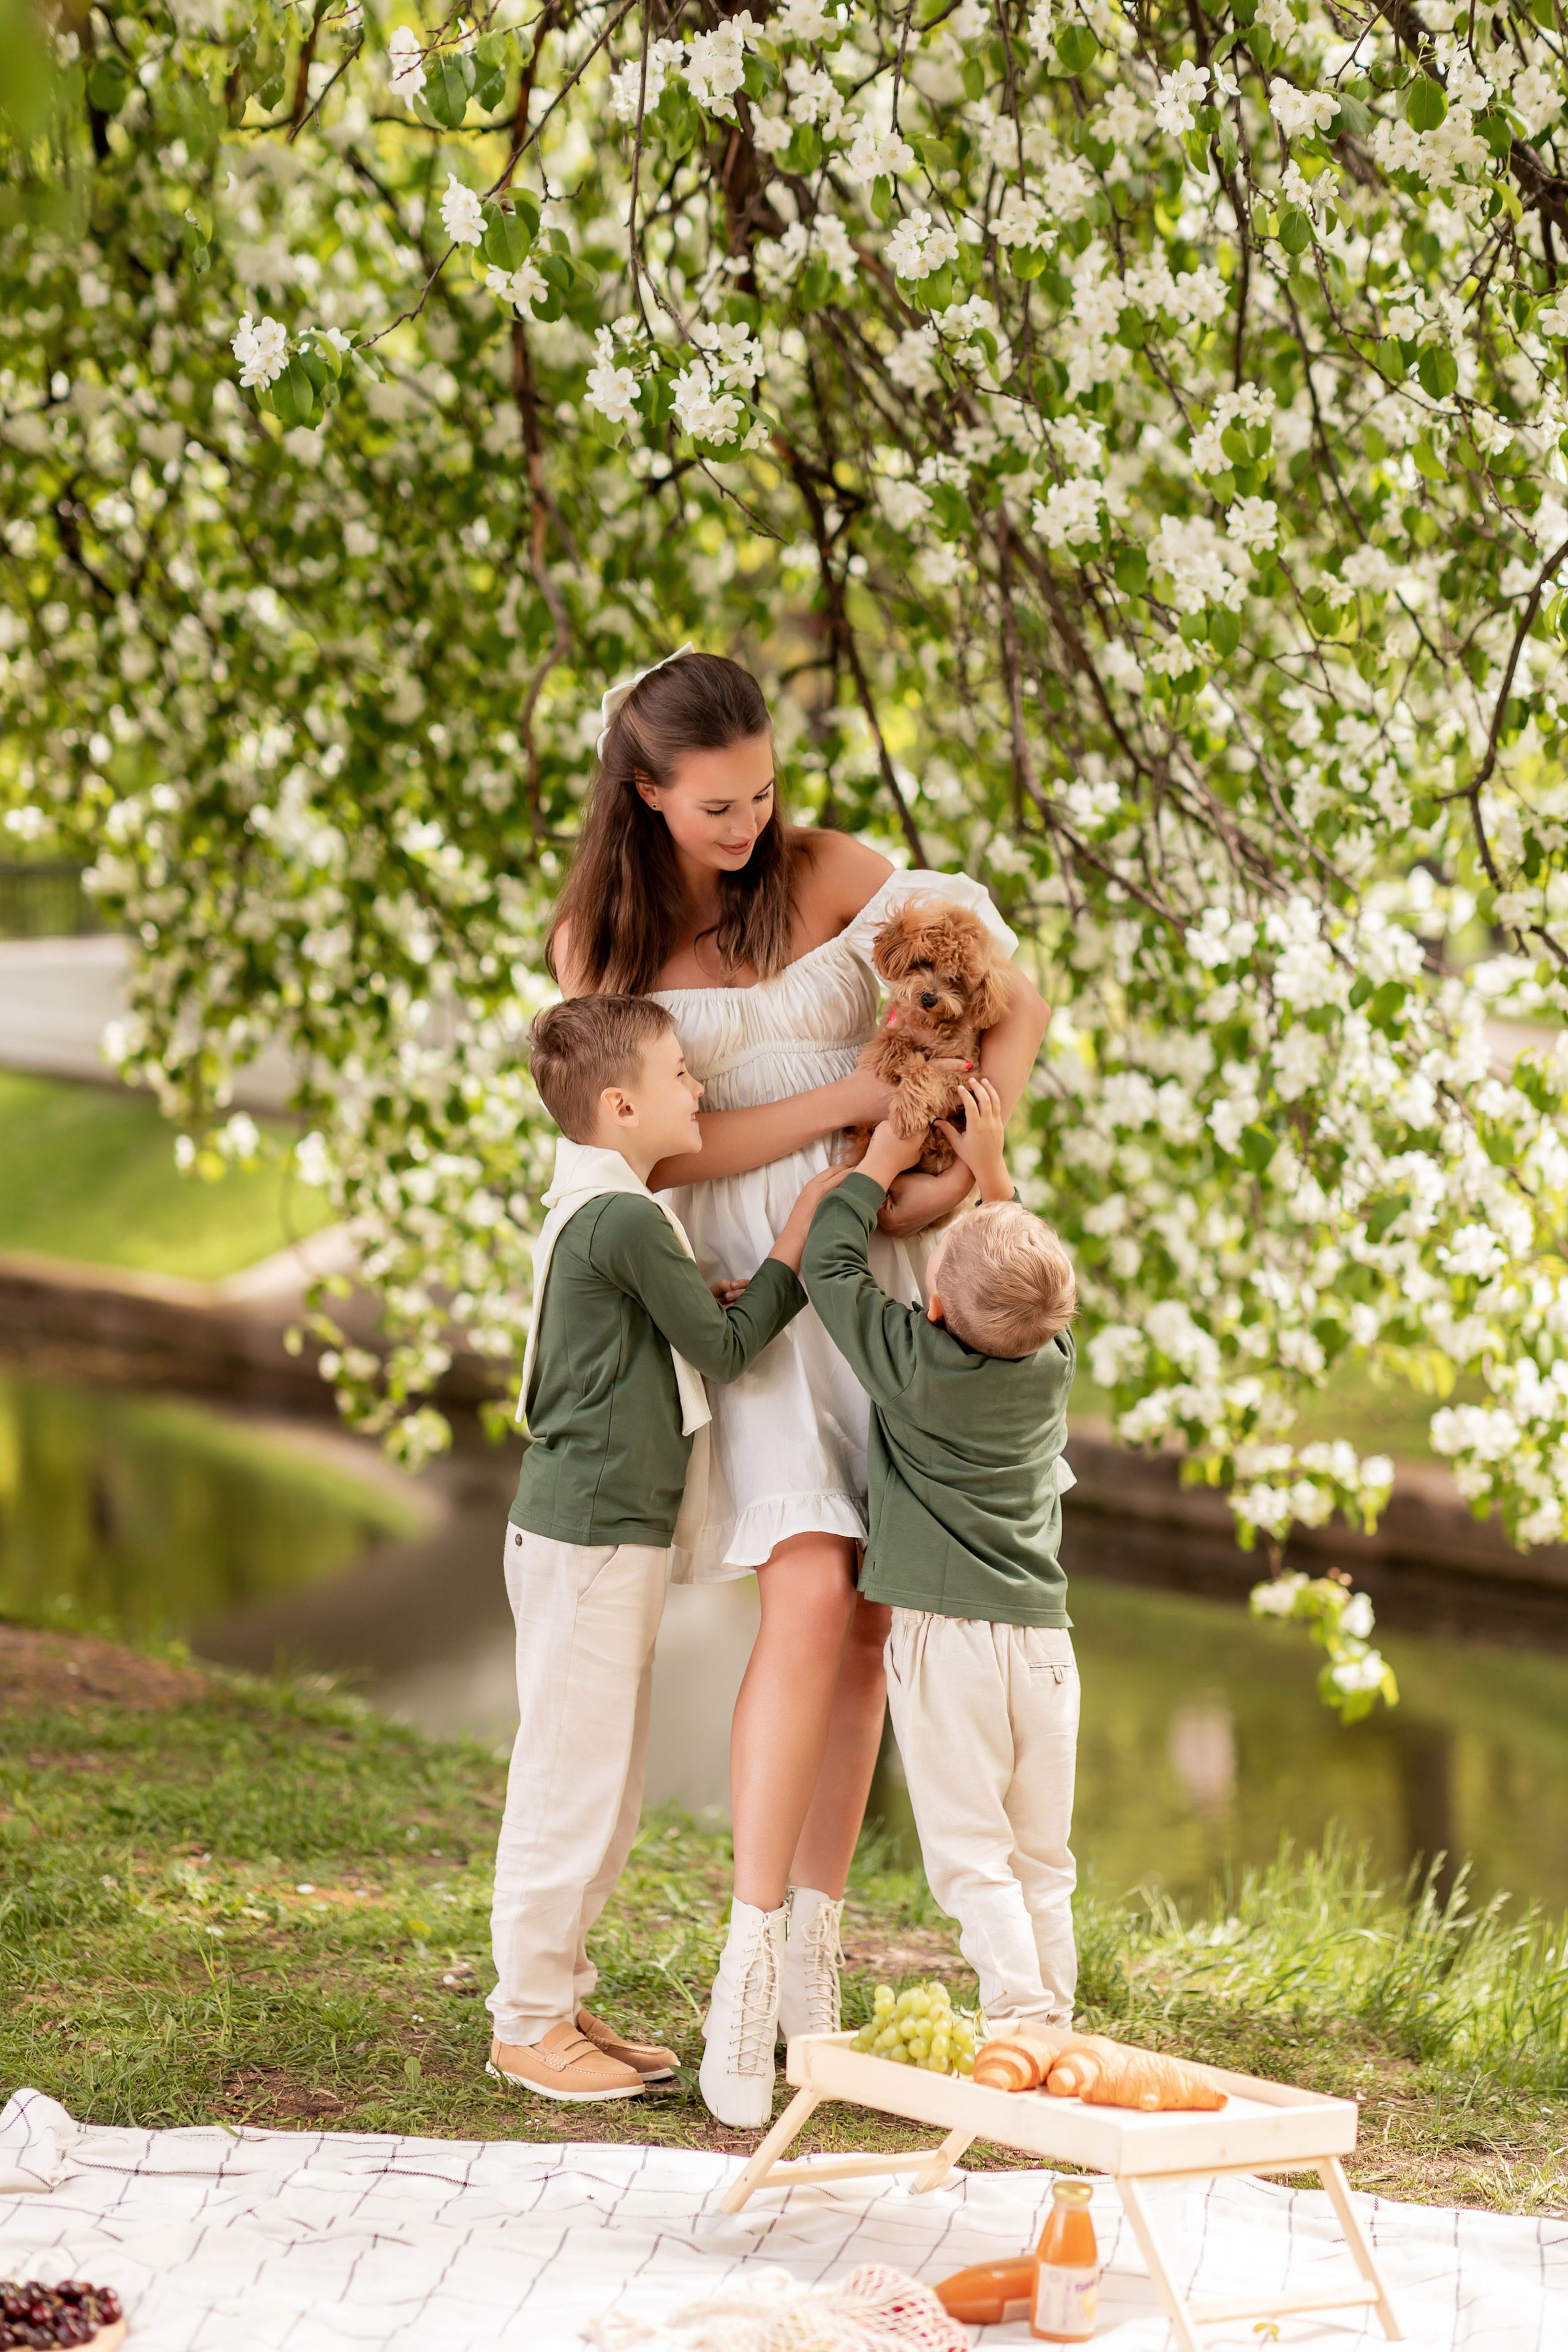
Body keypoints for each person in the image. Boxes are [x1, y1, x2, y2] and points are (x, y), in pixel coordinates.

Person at [548, 647, 1050, 2125]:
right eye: (715, 805)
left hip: (879, 1253)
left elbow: (1012, 999)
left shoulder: (834, 870)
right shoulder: (601, 937)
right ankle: (748, 1954)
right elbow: (659, 1147)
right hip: (753, 1282)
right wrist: (849, 1099)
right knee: (812, 1585)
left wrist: (961, 1147)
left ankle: (817, 1955)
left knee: (874, 1610)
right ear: (643, 792)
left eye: (761, 793)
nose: (748, 825)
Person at [488, 992, 843, 2102]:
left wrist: (700, 1299)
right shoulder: (630, 1219)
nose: (699, 1087)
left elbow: (648, 1334)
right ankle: (526, 2023)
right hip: (590, 1537)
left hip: (601, 1535)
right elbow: (727, 1353)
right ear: (621, 1104)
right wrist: (798, 1236)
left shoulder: (610, 1210)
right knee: (570, 1785)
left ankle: (558, 1998)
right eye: (680, 1073)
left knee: (606, 1787)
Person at [801, 1077, 1082, 2029]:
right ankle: (1053, 2026)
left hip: (948, 1641)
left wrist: (875, 1164)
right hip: (1045, 1647)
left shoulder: (913, 1365)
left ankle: (1019, 2017)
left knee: (969, 1855)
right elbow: (1027, 1289)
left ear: (932, 1301)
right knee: (1041, 1857)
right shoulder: (1050, 1366)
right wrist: (992, 1172)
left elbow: (828, 1266)